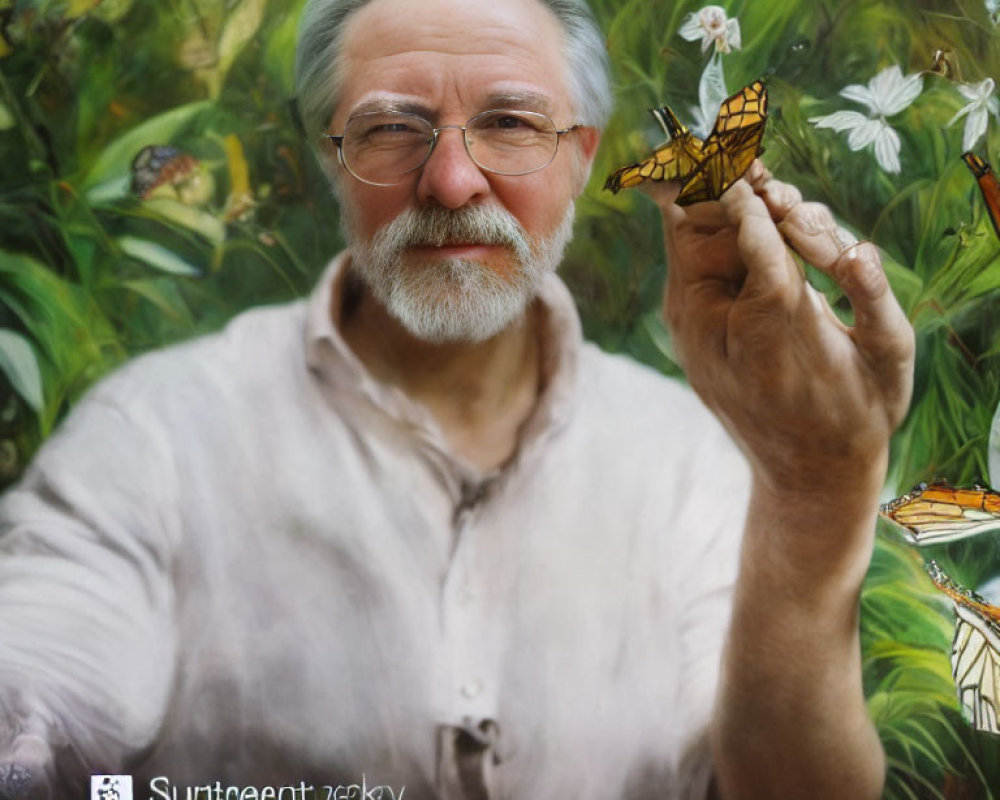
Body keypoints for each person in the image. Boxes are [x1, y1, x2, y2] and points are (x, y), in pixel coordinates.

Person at [0, 0, 914, 798]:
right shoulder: (154, 435)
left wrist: (812, 484)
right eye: (391, 129)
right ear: (332, 159)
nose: (449, 182)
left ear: (583, 159)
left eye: (511, 122)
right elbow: (36, 695)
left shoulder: (687, 464)